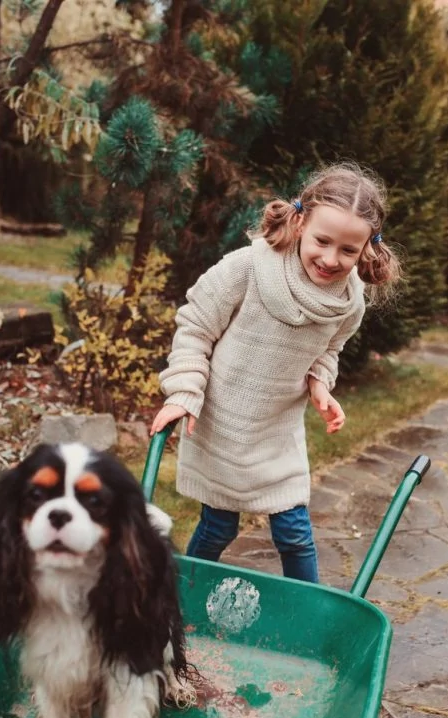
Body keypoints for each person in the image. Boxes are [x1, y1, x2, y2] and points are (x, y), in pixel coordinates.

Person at [149, 162, 402, 583]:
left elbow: (329, 348)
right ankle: (181, 597)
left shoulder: (350, 302)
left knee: (294, 534)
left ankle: (308, 618)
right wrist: (183, 391)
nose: (331, 258)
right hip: (224, 424)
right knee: (218, 525)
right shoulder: (248, 268)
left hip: (278, 431)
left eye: (348, 250)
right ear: (300, 221)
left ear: (367, 248)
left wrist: (320, 384)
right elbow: (195, 327)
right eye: (322, 241)